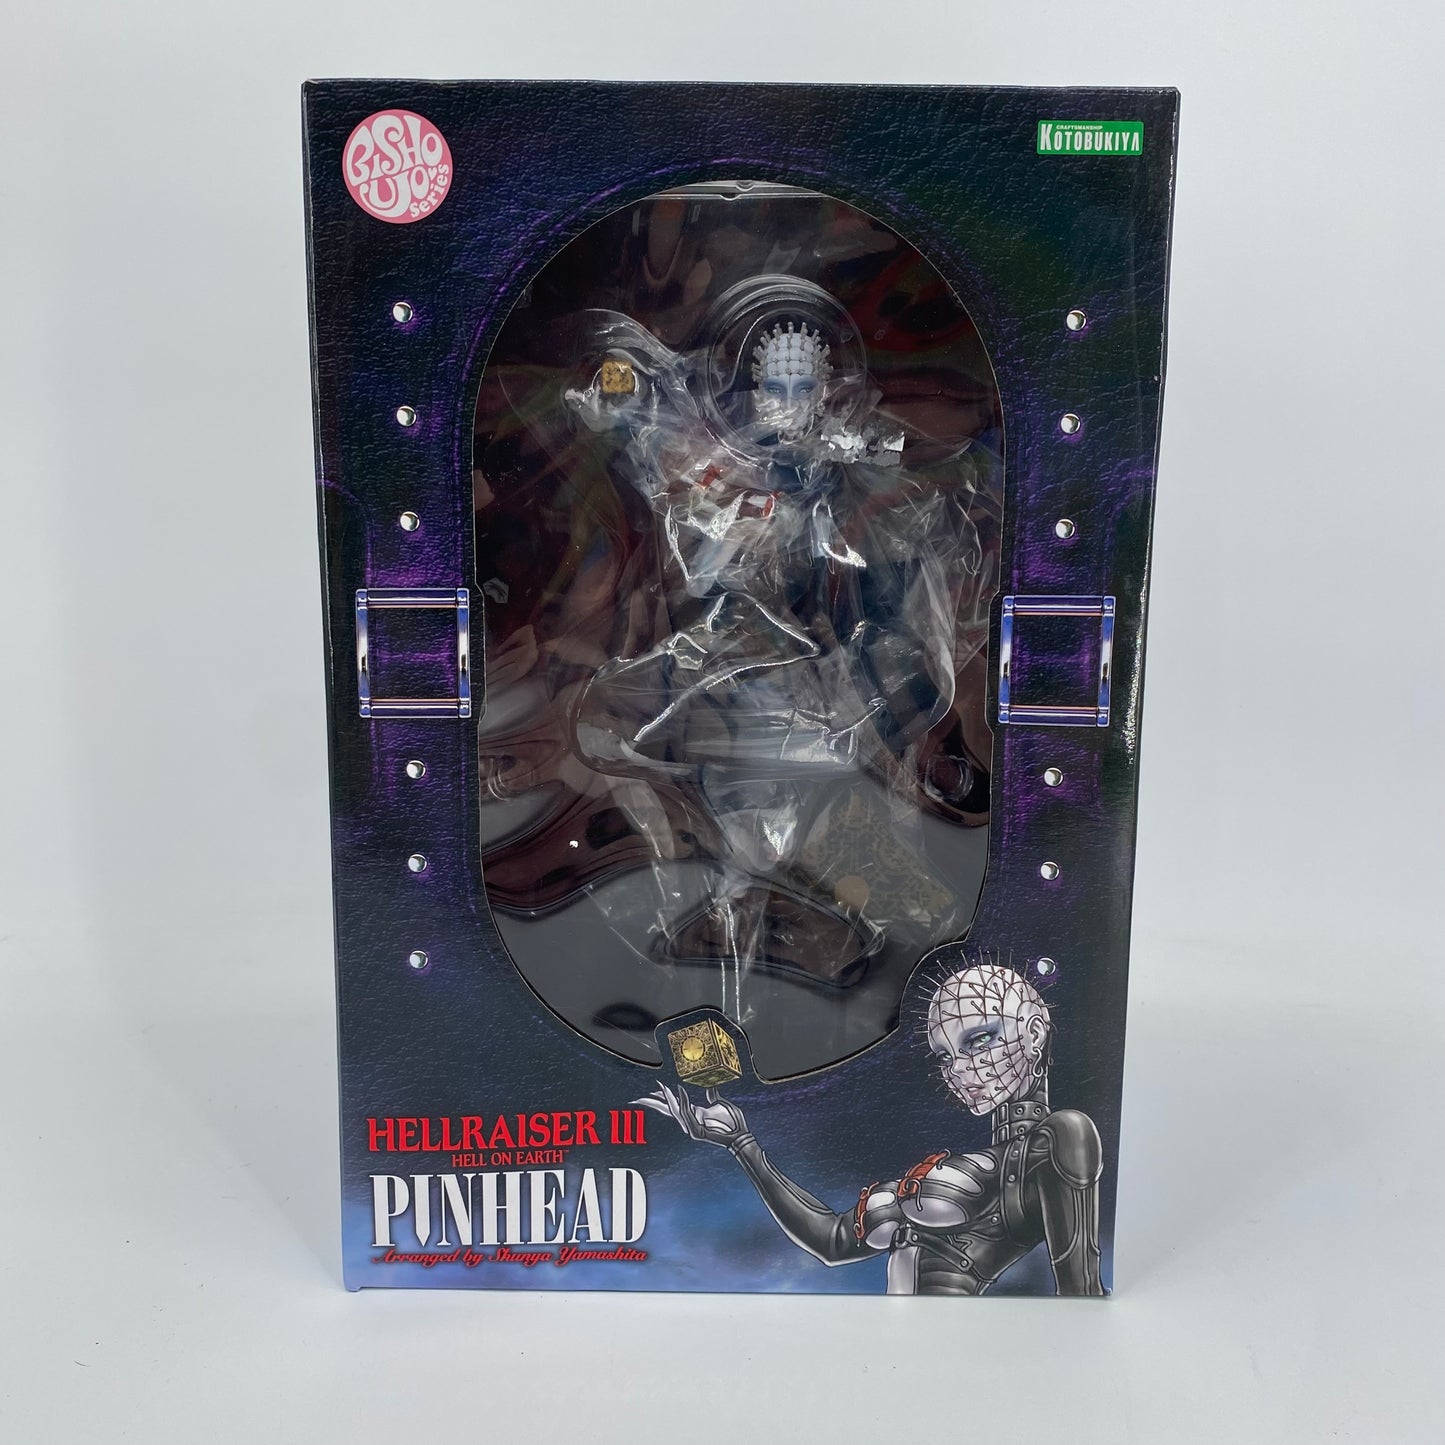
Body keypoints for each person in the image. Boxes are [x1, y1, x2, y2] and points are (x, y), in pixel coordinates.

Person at [639, 963, 1105, 1296]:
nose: (959, 1070)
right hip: (885, 1351)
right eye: (945, 1056)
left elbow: (1080, 1294)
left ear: (1034, 1033)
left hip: (949, 1355)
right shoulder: (985, 1166)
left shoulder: (1061, 1137)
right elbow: (831, 1241)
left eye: (979, 1039)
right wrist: (742, 1144)